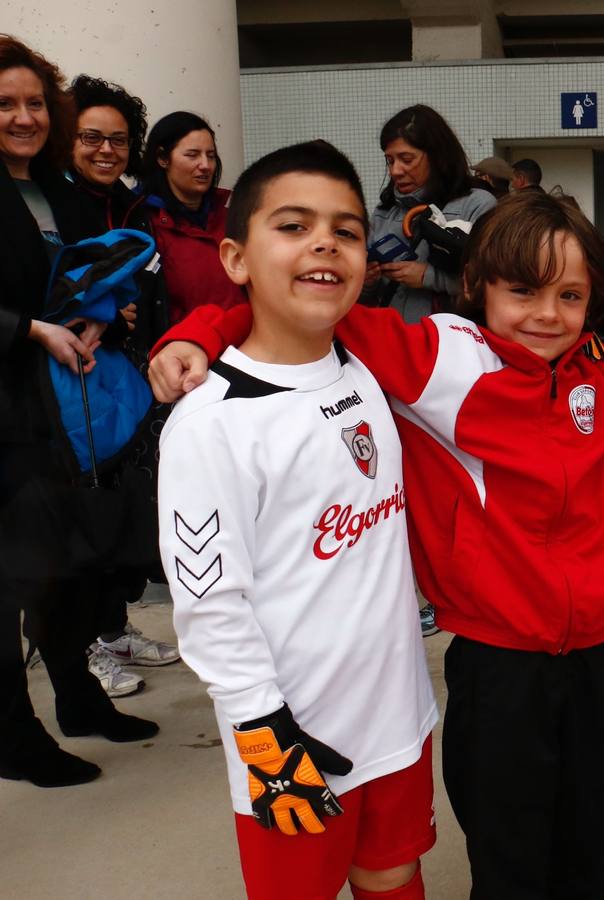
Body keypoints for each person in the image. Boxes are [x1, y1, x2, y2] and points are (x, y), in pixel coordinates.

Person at [151, 190, 604, 898]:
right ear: (478, 286)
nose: (548, 314)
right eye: (523, 291)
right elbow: (301, 309)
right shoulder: (440, 357)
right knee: (512, 857)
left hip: (602, 652)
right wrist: (201, 331)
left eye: (570, 295)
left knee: (598, 840)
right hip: (500, 660)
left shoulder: (603, 365)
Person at [157, 140, 438, 899]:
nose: (324, 243)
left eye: (346, 231)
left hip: (399, 717)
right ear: (236, 257)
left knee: (394, 874)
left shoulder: (366, 367)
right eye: (293, 225)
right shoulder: (210, 423)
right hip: (293, 738)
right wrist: (262, 732)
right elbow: (210, 606)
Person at [1, 34, 157, 789]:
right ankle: (12, 735)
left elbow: (103, 276)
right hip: (4, 411)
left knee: (64, 564)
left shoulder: (60, 191)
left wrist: (102, 317)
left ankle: (78, 698)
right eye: (5, 103)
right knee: (10, 578)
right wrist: (33, 329)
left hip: (64, 412)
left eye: (35, 102)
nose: (23, 116)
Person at [67, 73, 180, 695]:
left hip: (125, 371)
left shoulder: (129, 202)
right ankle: (81, 645)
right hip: (73, 374)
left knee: (122, 505)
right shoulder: (58, 202)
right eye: (92, 137)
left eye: (118, 139)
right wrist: (110, 312)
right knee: (83, 509)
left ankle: (111, 628)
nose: (106, 150)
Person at [364, 105, 495, 322]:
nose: (396, 170)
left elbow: (496, 285)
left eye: (406, 159)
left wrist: (429, 277)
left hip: (451, 346)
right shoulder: (383, 212)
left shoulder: (477, 206)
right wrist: (366, 283)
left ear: (438, 157)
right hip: (390, 344)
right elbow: (363, 300)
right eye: (390, 160)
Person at [141, 111, 243, 324]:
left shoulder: (233, 215)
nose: (205, 165)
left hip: (241, 348)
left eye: (211, 155)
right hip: (183, 349)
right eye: (192, 155)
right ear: (162, 158)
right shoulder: (143, 223)